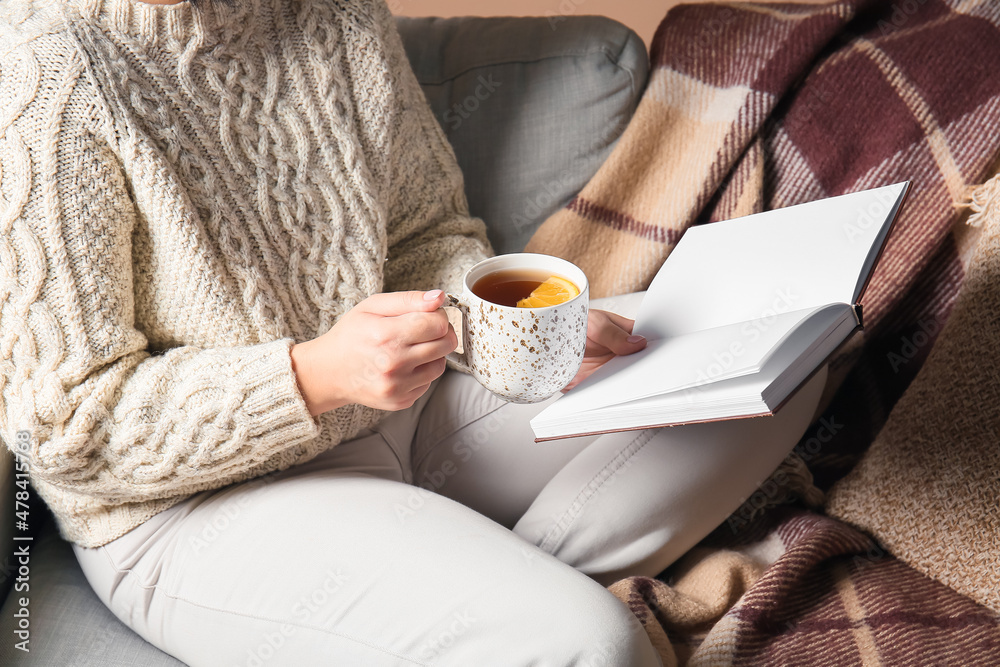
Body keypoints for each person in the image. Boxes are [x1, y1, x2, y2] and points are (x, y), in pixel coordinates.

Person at [0, 0, 825, 663]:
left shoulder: (341, 15)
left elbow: (427, 232)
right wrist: (314, 374)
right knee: (592, 645)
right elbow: (64, 427)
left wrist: (507, 330)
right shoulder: (44, 70)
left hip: (412, 408)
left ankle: (479, 594)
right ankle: (502, 610)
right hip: (191, 504)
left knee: (781, 354)